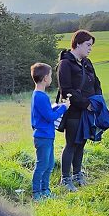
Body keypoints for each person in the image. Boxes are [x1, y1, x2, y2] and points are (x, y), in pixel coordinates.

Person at [56, 30, 102, 191]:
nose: (90, 48)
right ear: (77, 44)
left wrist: (97, 102)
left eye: (91, 45)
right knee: (71, 143)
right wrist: (85, 104)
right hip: (73, 111)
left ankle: (77, 175)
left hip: (89, 111)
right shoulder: (65, 64)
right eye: (88, 45)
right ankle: (65, 179)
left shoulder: (87, 63)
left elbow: (96, 83)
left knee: (82, 143)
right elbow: (66, 90)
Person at [30, 62, 68, 201]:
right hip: (43, 136)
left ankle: (45, 190)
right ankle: (36, 193)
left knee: (50, 164)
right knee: (42, 165)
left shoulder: (38, 95)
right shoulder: (40, 96)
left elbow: (44, 113)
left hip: (47, 136)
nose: (51, 78)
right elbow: (50, 117)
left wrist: (57, 106)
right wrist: (64, 108)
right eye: (51, 76)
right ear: (46, 78)